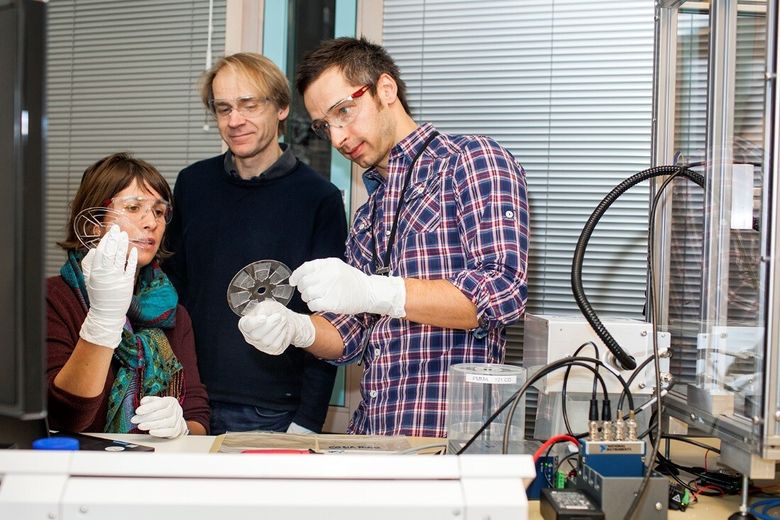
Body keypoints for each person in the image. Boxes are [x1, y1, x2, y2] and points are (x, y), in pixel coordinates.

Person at [238, 37, 529, 438]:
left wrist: (378, 291)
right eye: (325, 126)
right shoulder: (367, 217)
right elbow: (350, 334)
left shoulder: (471, 160)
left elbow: (502, 292)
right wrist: (296, 329)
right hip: (375, 437)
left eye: (344, 111)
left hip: (451, 441)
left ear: (385, 90)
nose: (337, 137)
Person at [164, 52, 347, 435]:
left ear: (281, 108)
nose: (234, 121)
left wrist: (308, 420)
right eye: (223, 108)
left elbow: (332, 318)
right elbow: (172, 290)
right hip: (187, 400)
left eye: (249, 105)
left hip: (273, 412)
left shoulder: (319, 199)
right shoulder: (192, 185)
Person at [47, 153, 209, 437]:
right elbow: (62, 417)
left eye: (159, 211)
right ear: (93, 224)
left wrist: (181, 429)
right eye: (134, 207)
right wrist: (103, 320)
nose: (151, 222)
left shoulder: (173, 313)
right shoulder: (52, 300)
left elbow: (198, 417)